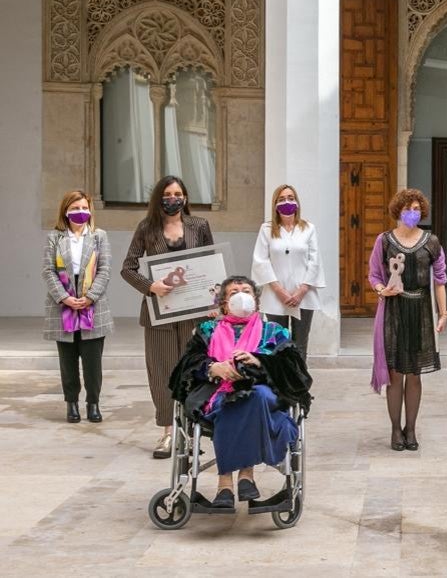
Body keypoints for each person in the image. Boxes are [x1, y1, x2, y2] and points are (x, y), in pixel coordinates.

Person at [169, 276, 311, 509]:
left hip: (262, 395)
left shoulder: (274, 332)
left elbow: (296, 373)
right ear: (224, 303)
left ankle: (225, 483)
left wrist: (259, 362)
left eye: (246, 291)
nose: (241, 295)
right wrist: (213, 368)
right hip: (218, 394)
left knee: (254, 397)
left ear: (256, 301)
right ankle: (246, 476)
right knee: (242, 400)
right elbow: (186, 365)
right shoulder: (207, 330)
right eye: (234, 292)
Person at [121, 175, 214, 459]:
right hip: (158, 313)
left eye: (178, 194)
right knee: (162, 372)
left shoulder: (199, 226)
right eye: (168, 194)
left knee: (191, 370)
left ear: (185, 198)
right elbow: (128, 267)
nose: (173, 198)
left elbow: (210, 263)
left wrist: (213, 300)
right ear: (159, 198)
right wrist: (150, 287)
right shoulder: (147, 228)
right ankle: (167, 433)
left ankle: (189, 430)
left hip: (191, 313)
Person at [368, 188, 447, 452]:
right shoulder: (385, 240)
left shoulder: (431, 241)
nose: (412, 213)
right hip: (394, 312)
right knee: (395, 375)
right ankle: (394, 429)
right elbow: (374, 275)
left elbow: (440, 280)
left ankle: (411, 429)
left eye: (416, 209)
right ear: (397, 211)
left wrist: (444, 312)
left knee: (414, 374)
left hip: (421, 312)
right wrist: (382, 291)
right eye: (407, 209)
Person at [42, 190, 114, 424]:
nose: (80, 212)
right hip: (63, 305)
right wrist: (64, 297)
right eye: (75, 208)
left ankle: (93, 403)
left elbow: (105, 269)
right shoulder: (55, 236)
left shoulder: (99, 236)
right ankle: (71, 403)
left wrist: (90, 296)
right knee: (68, 360)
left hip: (91, 305)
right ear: (65, 211)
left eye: (84, 208)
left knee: (93, 361)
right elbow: (48, 270)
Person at [251, 184, 326, 359]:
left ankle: (300, 384)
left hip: (304, 295)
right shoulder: (267, 229)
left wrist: (302, 290)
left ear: (297, 202)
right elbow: (261, 261)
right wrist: (280, 291)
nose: (287, 202)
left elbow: (314, 260)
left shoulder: (308, 228)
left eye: (291, 198)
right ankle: (280, 384)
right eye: (282, 199)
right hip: (275, 295)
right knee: (277, 345)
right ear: (275, 204)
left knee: (300, 344)